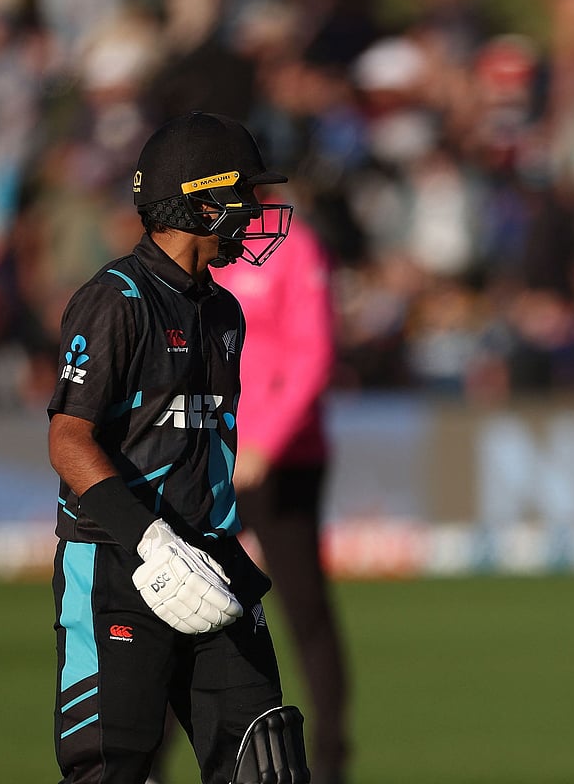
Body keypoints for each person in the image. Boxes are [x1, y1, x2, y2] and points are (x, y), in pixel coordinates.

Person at [47, 111, 308, 784]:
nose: (254, 212)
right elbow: (69, 440)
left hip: (214, 566)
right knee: (111, 770)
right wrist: (152, 542)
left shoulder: (225, 311)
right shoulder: (116, 299)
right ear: (201, 200)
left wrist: (207, 547)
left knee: (266, 764)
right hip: (118, 567)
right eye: (243, 195)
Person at [211, 208, 350, 784]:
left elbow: (311, 355)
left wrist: (264, 444)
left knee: (304, 611)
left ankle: (332, 763)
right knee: (178, 606)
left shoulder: (295, 246)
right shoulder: (207, 242)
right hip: (213, 453)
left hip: (285, 460)